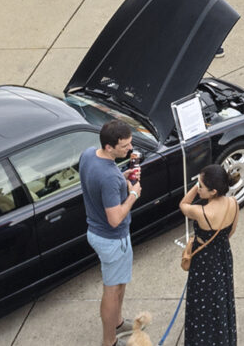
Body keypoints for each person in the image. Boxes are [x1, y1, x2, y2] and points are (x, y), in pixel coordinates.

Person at [82, 120, 143, 346]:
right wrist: (133, 194)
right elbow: (115, 218)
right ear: (109, 147)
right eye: (124, 146)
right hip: (112, 239)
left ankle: (117, 323)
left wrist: (122, 176)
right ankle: (110, 341)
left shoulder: (89, 155)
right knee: (112, 288)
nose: (130, 149)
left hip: (96, 231)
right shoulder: (109, 177)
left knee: (119, 283)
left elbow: (100, 181)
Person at [174, 161, 239, 345]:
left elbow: (183, 204)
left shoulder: (202, 212)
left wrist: (194, 189)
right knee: (221, 298)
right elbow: (231, 232)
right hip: (223, 255)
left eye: (201, 186)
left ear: (213, 192)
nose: (198, 188)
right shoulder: (233, 203)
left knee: (201, 304)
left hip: (204, 261)